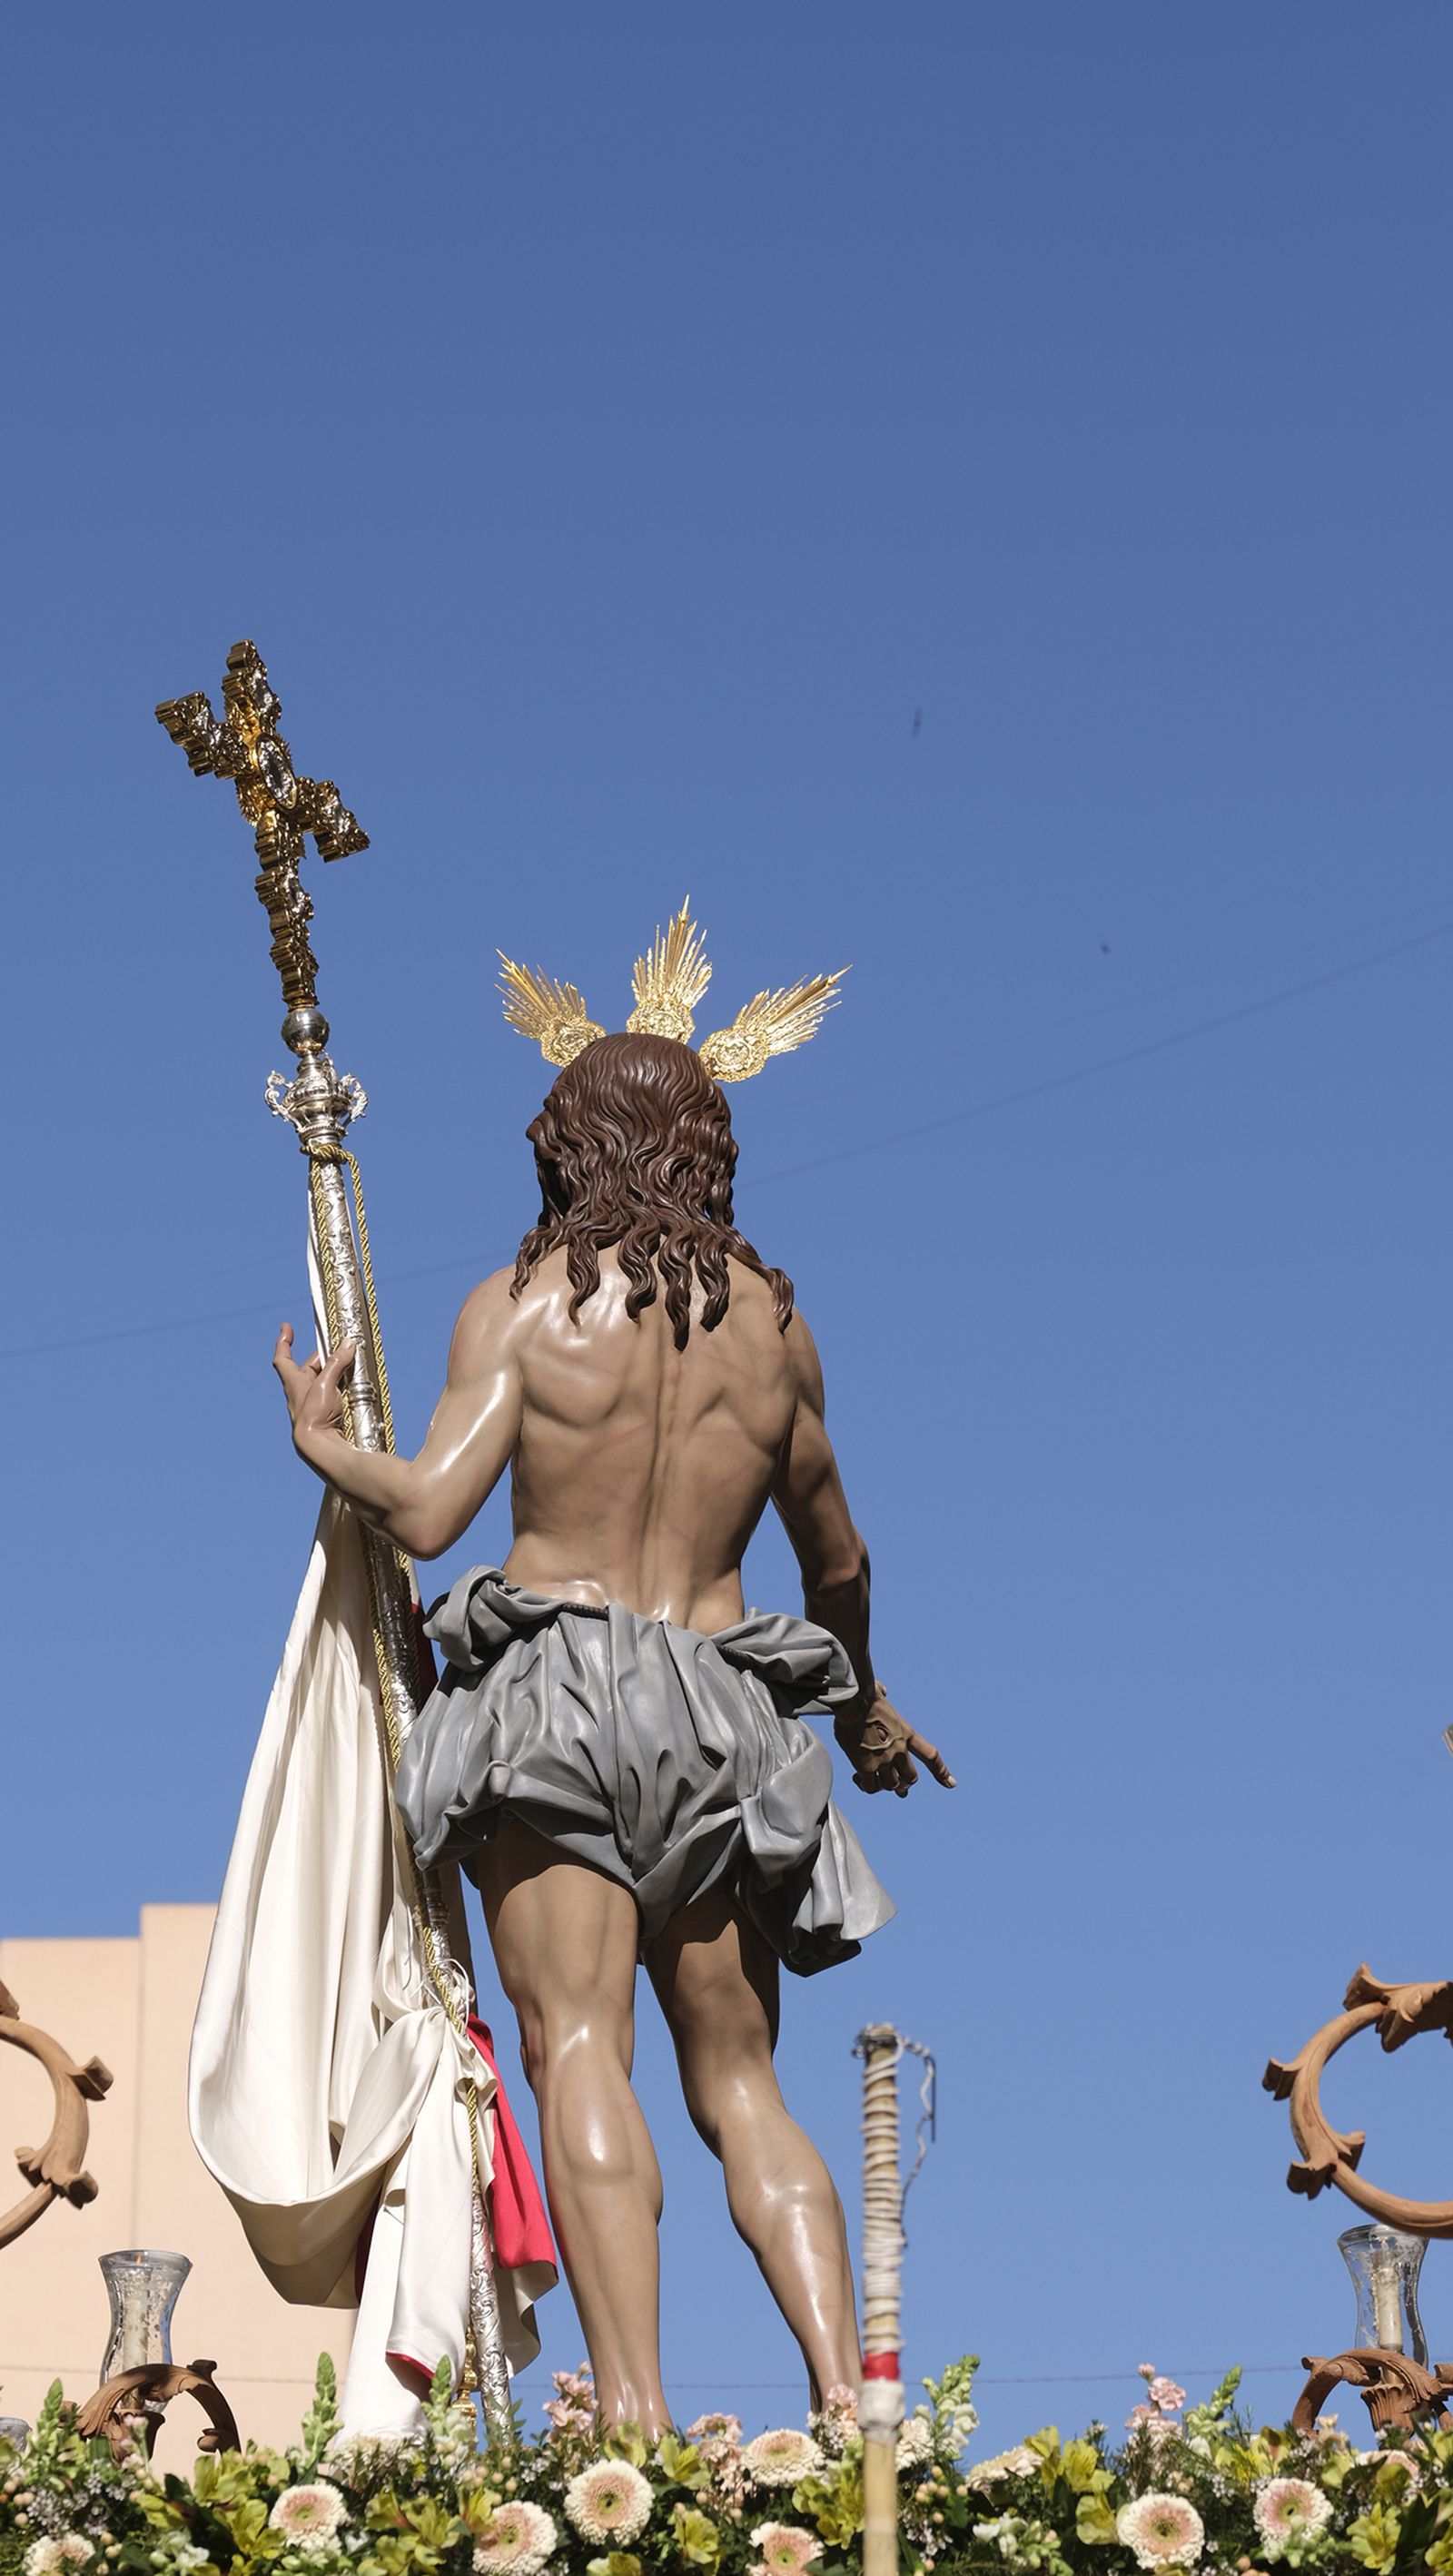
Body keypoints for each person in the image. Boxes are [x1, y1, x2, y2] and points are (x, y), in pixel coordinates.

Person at [273, 939, 953, 2433]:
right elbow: (837, 1562)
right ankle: (853, 2404)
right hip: (722, 1718)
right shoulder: (775, 1335)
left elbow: (435, 1510)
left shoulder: (521, 1305)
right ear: (709, 1149)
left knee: (580, 2043)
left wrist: (326, 1441)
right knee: (743, 2080)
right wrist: (861, 1706)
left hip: (559, 1711)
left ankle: (632, 2428)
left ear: (570, 1148)